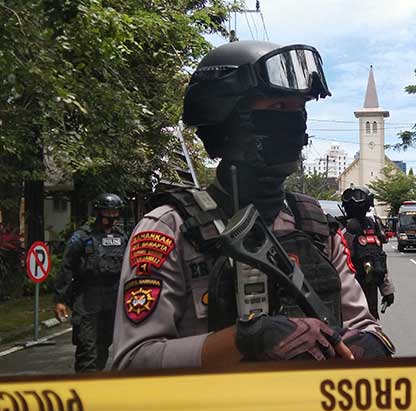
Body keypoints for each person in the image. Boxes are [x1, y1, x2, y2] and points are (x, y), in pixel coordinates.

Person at [111, 40, 394, 370]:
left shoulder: (315, 224)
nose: (294, 123)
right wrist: (243, 340)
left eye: (298, 110)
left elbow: (362, 324)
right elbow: (131, 362)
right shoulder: (171, 229)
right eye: (277, 108)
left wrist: (368, 344)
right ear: (226, 119)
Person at [54, 193, 128, 372]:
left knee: (104, 345)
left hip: (112, 300)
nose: (111, 216)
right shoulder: (82, 236)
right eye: (107, 211)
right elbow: (67, 266)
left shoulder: (122, 237)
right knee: (87, 349)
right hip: (87, 299)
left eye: (114, 211)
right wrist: (60, 300)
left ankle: (95, 382)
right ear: (99, 211)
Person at [340, 186, 395, 319]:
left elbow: (378, 259)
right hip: (345, 291)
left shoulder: (372, 224)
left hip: (369, 288)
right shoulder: (337, 227)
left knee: (370, 327)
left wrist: (387, 290)